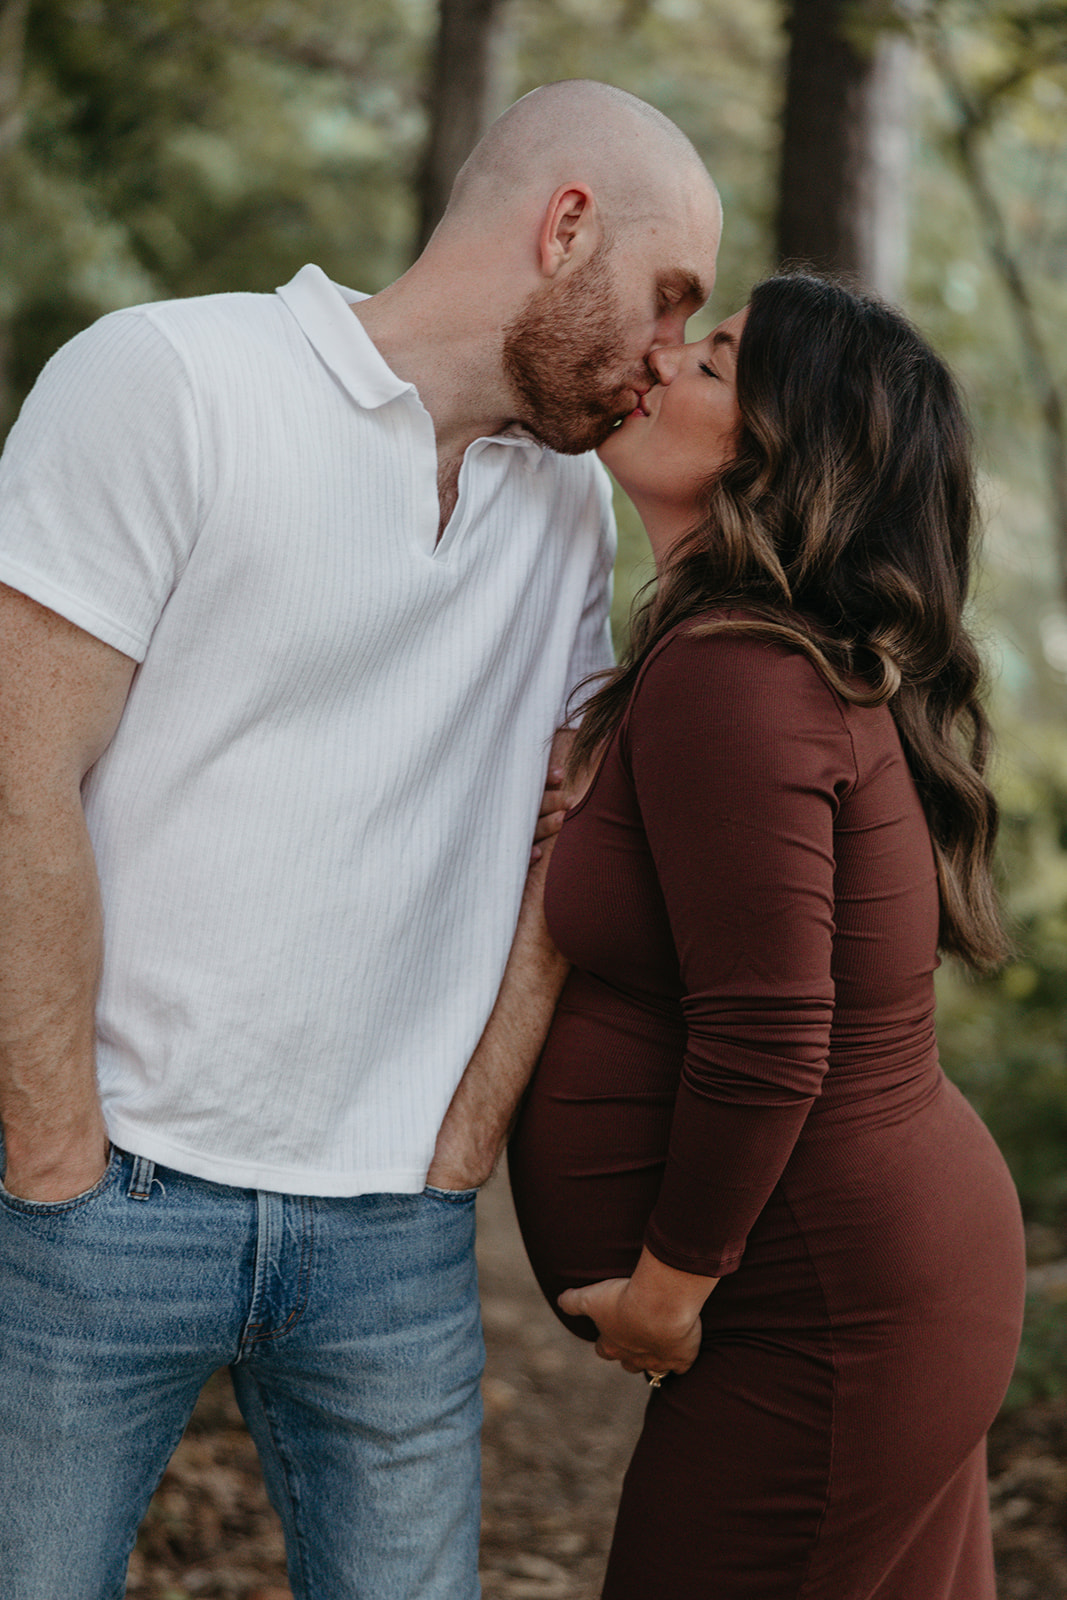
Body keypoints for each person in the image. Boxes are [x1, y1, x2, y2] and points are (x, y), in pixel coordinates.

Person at [0, 81, 722, 1600]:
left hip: (393, 1234)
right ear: (566, 223)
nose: (673, 358)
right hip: (101, 1204)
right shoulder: (169, 379)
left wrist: (460, 1139)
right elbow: (17, 775)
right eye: (671, 301)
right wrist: (57, 1149)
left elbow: (560, 837)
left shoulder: (562, 515)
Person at [506, 272, 1027, 1599]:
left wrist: (668, 1295)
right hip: (878, 1280)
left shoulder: (737, 673)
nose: (668, 359)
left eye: (720, 362)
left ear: (785, 454)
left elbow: (771, 1030)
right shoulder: (754, 660)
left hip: (831, 1315)